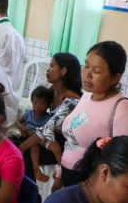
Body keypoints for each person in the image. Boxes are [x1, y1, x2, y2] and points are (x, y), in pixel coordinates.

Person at [57, 42, 128, 190]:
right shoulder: (87, 96)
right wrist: (60, 174)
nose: (87, 74)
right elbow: (72, 141)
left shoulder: (124, 110)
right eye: (86, 66)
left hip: (93, 185)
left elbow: (124, 161)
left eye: (97, 71)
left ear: (115, 78)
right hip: (69, 175)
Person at [16, 53, 84, 183]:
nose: (47, 69)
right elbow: (40, 114)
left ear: (63, 71)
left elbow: (47, 129)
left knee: (23, 153)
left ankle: (31, 193)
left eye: (52, 66)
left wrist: (22, 147)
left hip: (64, 144)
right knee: (14, 142)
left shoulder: (71, 101)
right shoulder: (53, 90)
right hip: (48, 137)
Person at [11, 85, 54, 181]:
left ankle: (36, 170)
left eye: (42, 104)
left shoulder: (48, 118)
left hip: (37, 141)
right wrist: (21, 127)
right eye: (35, 103)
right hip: (24, 136)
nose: (38, 106)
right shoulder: (28, 113)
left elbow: (47, 133)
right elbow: (17, 121)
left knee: (34, 146)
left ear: (48, 105)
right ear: (32, 102)